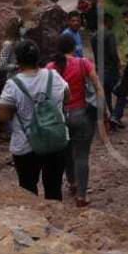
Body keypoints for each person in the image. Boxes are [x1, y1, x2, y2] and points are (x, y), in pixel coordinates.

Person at [0, 40, 69, 199]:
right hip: (55, 140)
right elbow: (66, 97)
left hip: (26, 145)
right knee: (54, 187)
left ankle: (34, 221)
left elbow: (3, 115)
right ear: (38, 57)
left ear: (18, 60)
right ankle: (56, 220)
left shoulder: (13, 84)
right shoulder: (54, 76)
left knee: (28, 189)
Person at [47, 34, 109, 207]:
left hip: (60, 117)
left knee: (66, 153)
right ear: (73, 47)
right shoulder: (83, 63)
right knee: (81, 156)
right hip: (81, 115)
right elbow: (98, 88)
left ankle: (72, 183)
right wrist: (104, 112)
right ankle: (81, 195)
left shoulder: (50, 67)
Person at [92, 12, 124, 130]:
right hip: (110, 69)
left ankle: (110, 118)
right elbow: (113, 53)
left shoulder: (94, 36)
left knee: (106, 95)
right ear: (108, 22)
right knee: (122, 94)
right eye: (112, 22)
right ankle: (116, 116)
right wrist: (119, 66)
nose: (112, 24)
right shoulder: (109, 34)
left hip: (99, 69)